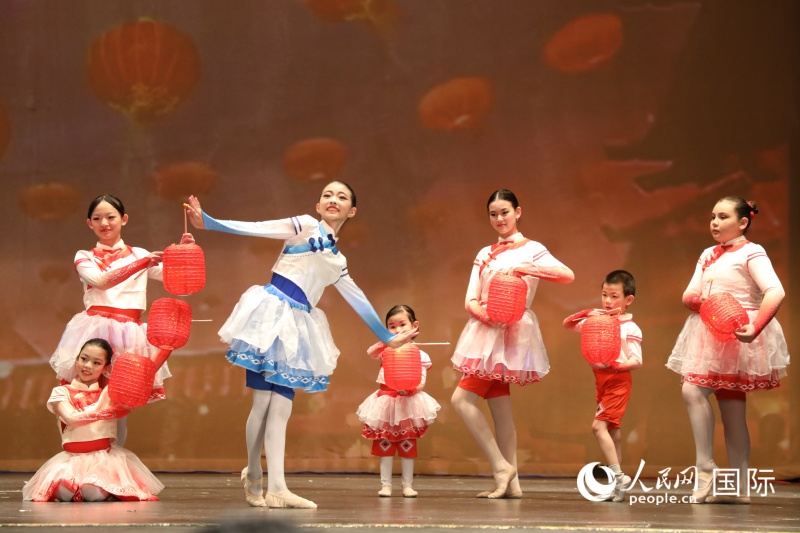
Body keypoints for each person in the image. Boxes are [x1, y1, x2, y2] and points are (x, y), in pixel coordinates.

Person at [185, 182, 416, 509]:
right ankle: (254, 473)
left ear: (352, 211)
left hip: (297, 328)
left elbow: (358, 299)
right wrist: (210, 223)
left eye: (342, 197)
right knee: (262, 403)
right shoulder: (305, 225)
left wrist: (388, 338)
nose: (333, 200)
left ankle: (277, 487)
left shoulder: (338, 260)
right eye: (327, 195)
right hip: (269, 315)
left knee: (281, 407)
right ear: (318, 205)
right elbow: (259, 228)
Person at [450, 189, 574, 499]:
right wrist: (487, 316)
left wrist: (526, 268)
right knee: (500, 409)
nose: (499, 219)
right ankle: (513, 485)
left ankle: (501, 468)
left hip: (512, 334)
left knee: (461, 400)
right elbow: (470, 298)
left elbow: (566, 275)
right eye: (493, 214)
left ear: (517, 212)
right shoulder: (484, 253)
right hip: (486, 333)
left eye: (504, 212)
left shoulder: (532, 249)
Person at [666, 196, 789, 504]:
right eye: (713, 216)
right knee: (719, 403)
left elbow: (775, 290)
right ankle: (730, 483)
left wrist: (756, 326)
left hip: (737, 333)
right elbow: (690, 293)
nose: (715, 222)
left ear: (743, 222)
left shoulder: (751, 251)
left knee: (716, 402)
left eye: (723, 217)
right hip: (710, 332)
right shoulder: (708, 254)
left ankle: (719, 476)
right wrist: (702, 302)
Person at [49, 194, 177, 446]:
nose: (104, 223)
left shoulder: (138, 253)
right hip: (93, 332)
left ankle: (112, 460)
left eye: (110, 217)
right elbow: (100, 281)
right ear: (89, 223)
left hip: (130, 335)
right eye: (97, 219)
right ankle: (78, 454)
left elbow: (175, 280)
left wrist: (184, 252)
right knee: (82, 397)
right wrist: (141, 263)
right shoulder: (85, 256)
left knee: (119, 404)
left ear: (124, 219)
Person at [23, 339, 163, 502]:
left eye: (97, 363)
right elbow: (71, 418)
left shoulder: (110, 394)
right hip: (71, 460)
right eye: (84, 359)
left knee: (91, 493)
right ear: (76, 359)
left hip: (102, 459)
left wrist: (165, 349)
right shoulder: (61, 392)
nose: (88, 366)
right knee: (65, 493)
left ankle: (105, 487)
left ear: (106, 368)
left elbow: (141, 377)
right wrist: (107, 411)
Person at [563, 270, 642, 502]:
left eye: (614, 296)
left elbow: (637, 361)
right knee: (613, 432)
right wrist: (587, 312)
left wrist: (614, 366)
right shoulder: (596, 322)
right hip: (601, 380)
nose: (607, 301)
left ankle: (619, 476)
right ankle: (618, 488)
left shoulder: (630, 328)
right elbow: (568, 324)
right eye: (604, 295)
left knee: (598, 427)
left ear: (628, 300)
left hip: (618, 381)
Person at [356, 305, 441, 498]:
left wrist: (412, 389)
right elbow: (370, 352)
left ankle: (407, 485)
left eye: (402, 324)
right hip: (386, 402)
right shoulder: (385, 350)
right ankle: (386, 485)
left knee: (407, 444)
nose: (397, 330)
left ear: (414, 326)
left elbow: (421, 380)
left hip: (408, 403)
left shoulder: (420, 354)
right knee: (384, 444)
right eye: (391, 326)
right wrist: (386, 341)